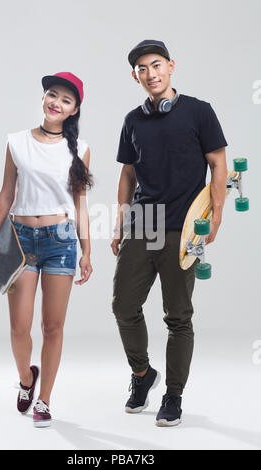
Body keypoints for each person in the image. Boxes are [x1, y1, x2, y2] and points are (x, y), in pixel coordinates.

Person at [111, 40, 228, 426]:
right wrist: (119, 224)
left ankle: (173, 396)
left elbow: (218, 164)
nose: (151, 74)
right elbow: (127, 175)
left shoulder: (199, 112)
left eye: (156, 65)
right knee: (124, 307)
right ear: (135, 77)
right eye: (142, 69)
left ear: (171, 66)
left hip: (184, 228)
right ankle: (143, 375)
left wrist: (215, 215)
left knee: (178, 317)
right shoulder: (132, 120)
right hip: (142, 225)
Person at [0, 72, 93, 428]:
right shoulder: (16, 142)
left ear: (74, 110)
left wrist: (87, 251)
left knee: (52, 327)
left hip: (61, 240)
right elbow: (6, 194)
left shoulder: (81, 149)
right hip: (20, 240)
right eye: (51, 95)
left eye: (65, 100)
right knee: (19, 328)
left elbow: (80, 204)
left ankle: (44, 399)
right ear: (44, 98)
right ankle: (27, 380)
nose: (55, 103)